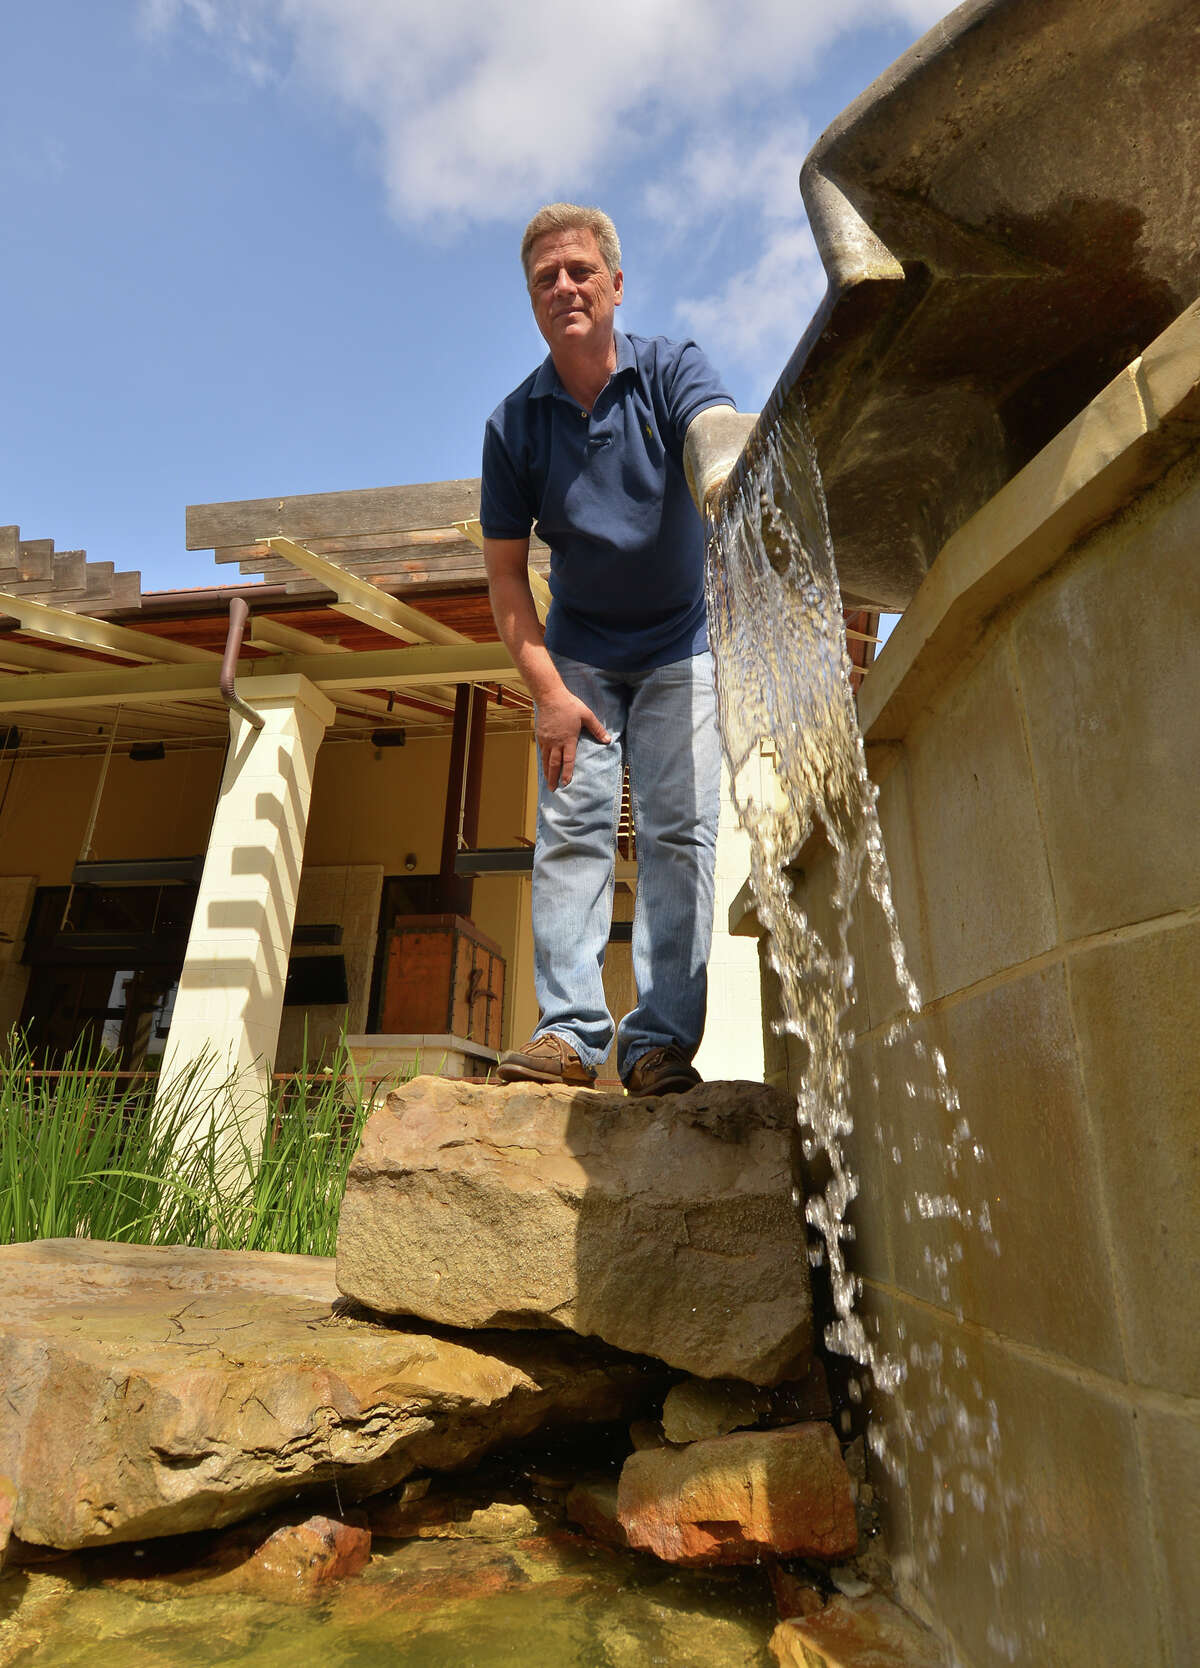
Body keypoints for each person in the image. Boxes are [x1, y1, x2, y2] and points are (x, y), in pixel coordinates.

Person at [480, 202, 737, 1097]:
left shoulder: (672, 368)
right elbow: (508, 582)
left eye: (580, 270)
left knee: (681, 834)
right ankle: (571, 1036)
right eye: (545, 277)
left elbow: (716, 435)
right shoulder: (513, 427)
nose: (564, 287)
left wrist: (725, 461)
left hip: (681, 643)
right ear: (532, 301)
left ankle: (659, 1042)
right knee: (574, 832)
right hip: (579, 653)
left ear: (616, 285)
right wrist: (546, 687)